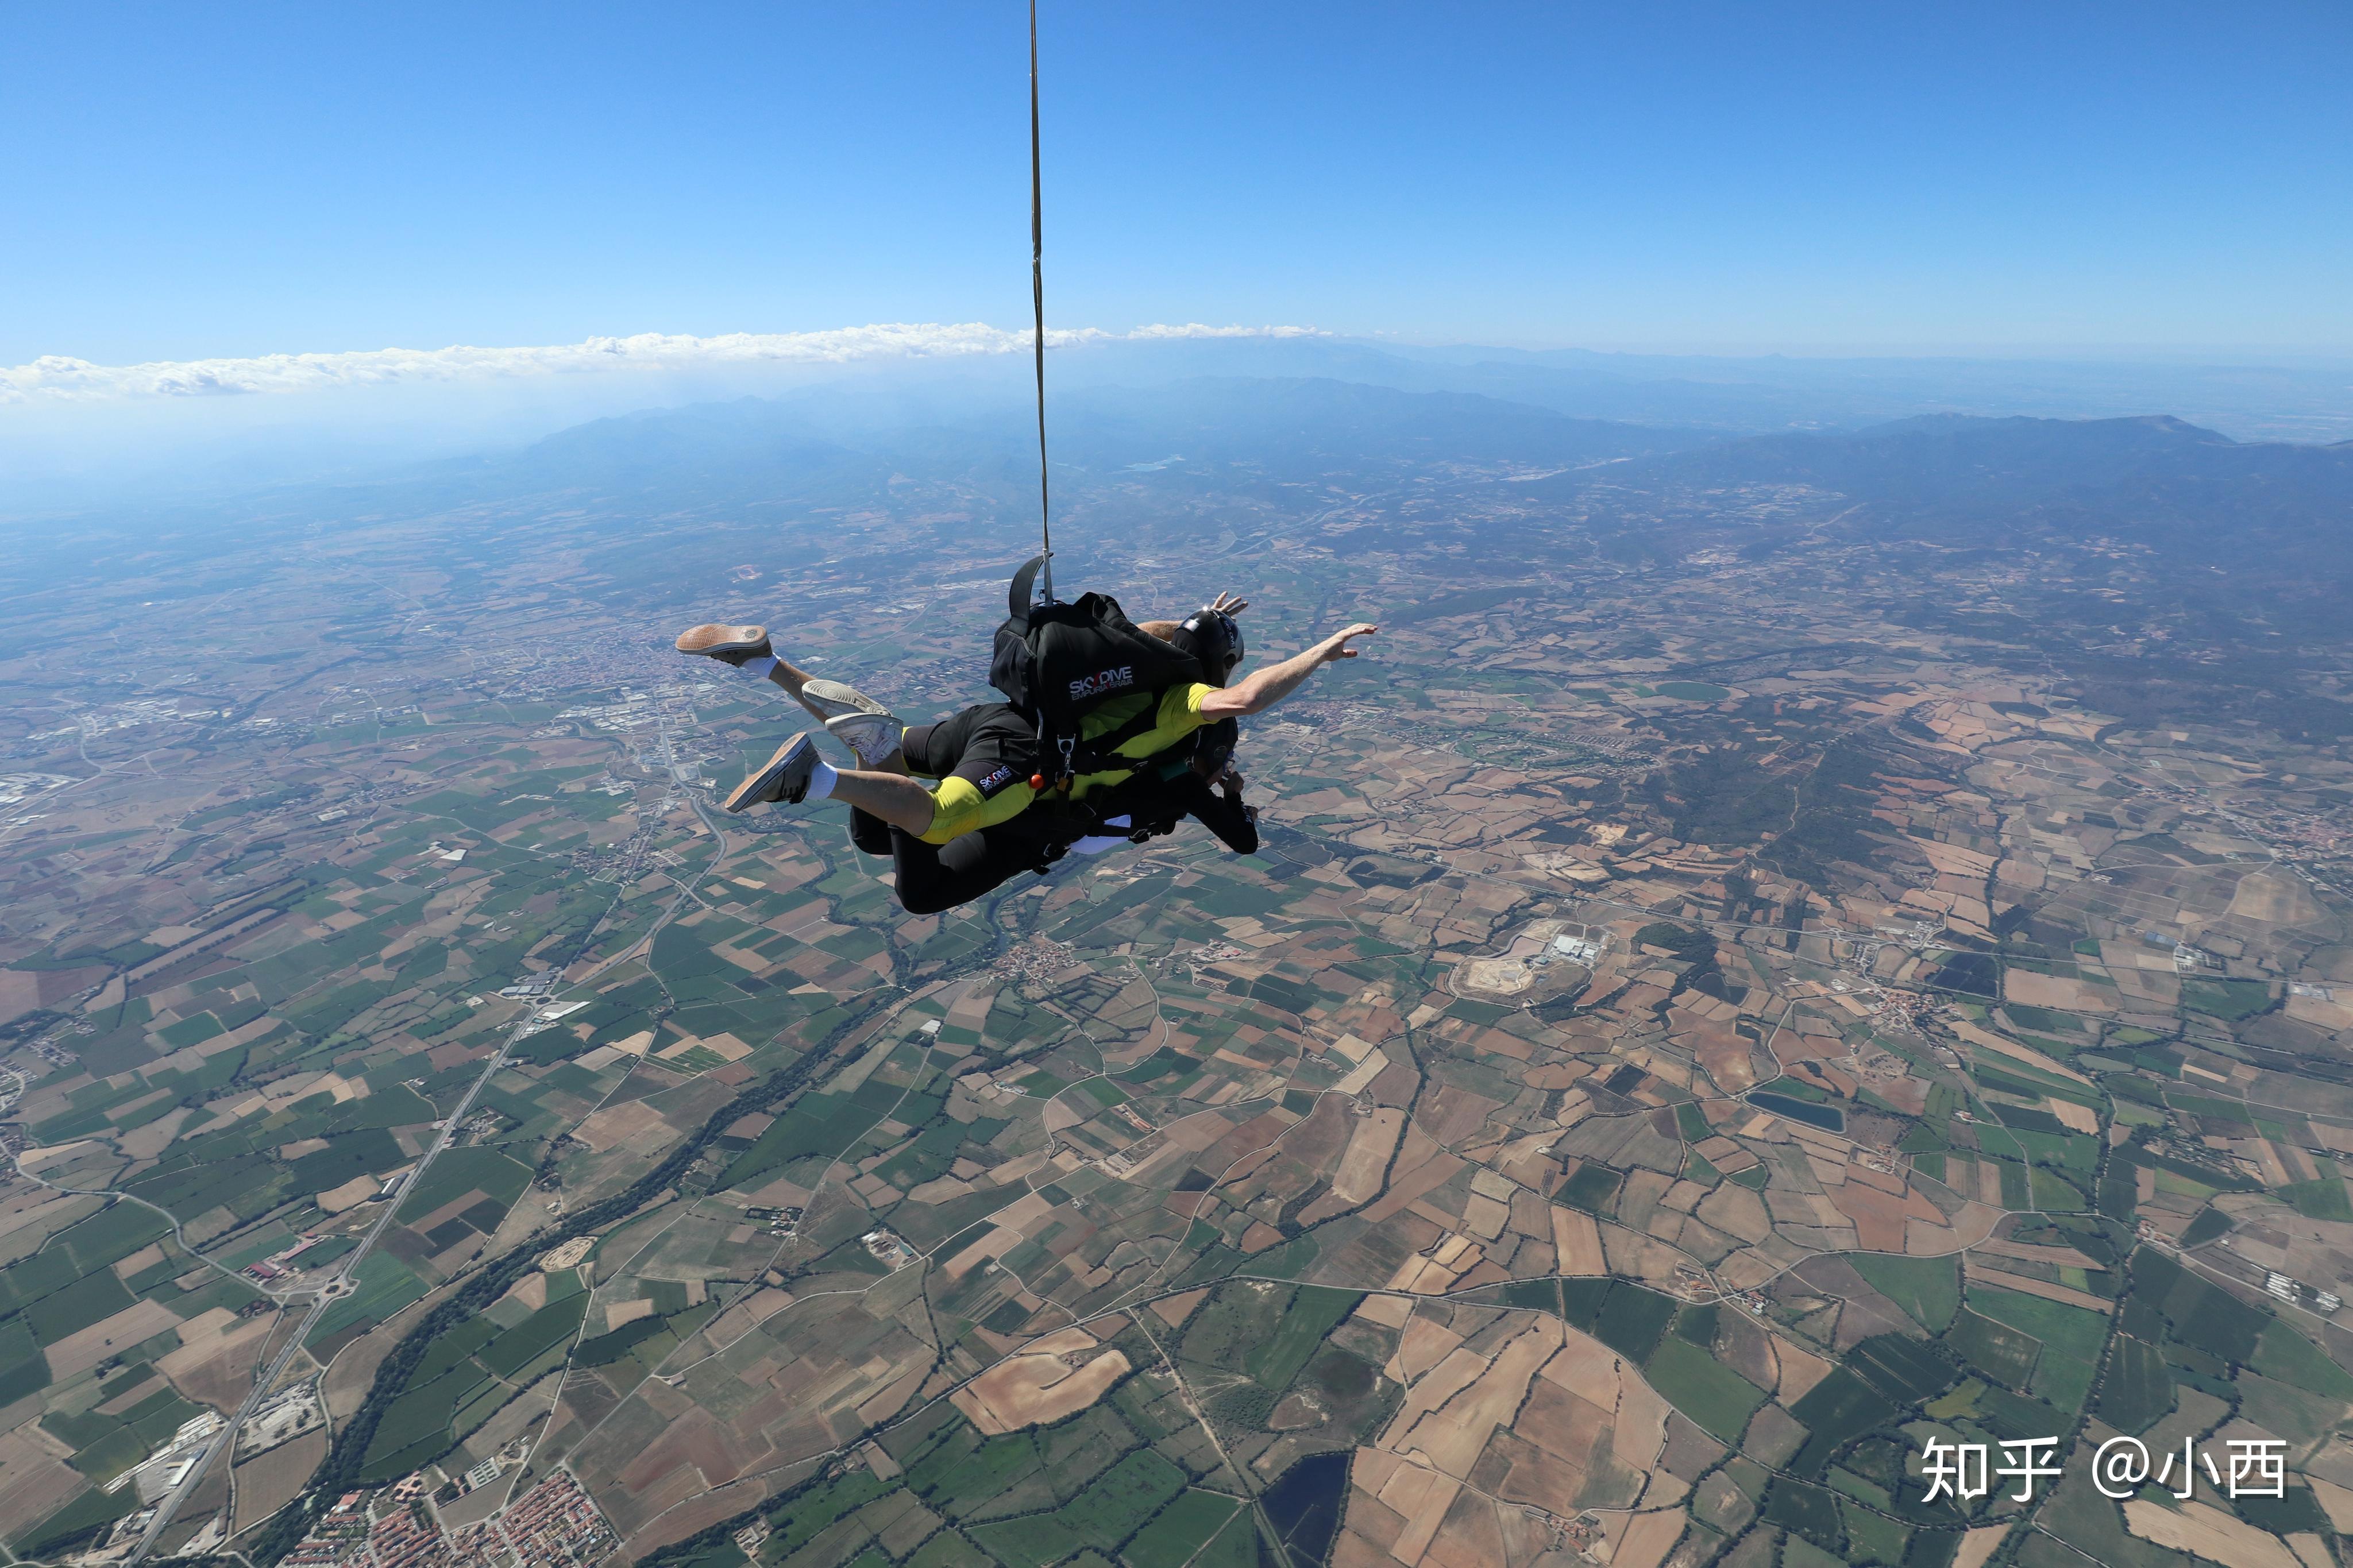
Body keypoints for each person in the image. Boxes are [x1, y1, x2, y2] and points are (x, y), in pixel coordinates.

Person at [676, 604, 1374, 912]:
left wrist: (1206, 621)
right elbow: (1246, 699)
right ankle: (819, 777)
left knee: (877, 831)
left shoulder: (1129, 664)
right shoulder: (1179, 711)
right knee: (929, 869)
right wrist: (1317, 653)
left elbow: (1159, 637)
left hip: (993, 721)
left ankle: (767, 665)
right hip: (1026, 767)